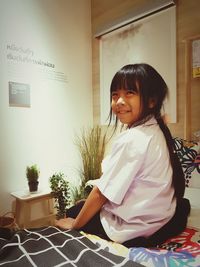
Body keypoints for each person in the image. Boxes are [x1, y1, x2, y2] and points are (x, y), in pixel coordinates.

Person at [55, 63, 190, 248]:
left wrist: (74, 225)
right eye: (115, 94)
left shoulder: (133, 139)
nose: (119, 101)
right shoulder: (157, 129)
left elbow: (101, 194)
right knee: (82, 205)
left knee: (72, 211)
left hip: (136, 228)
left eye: (129, 93)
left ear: (151, 100)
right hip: (160, 217)